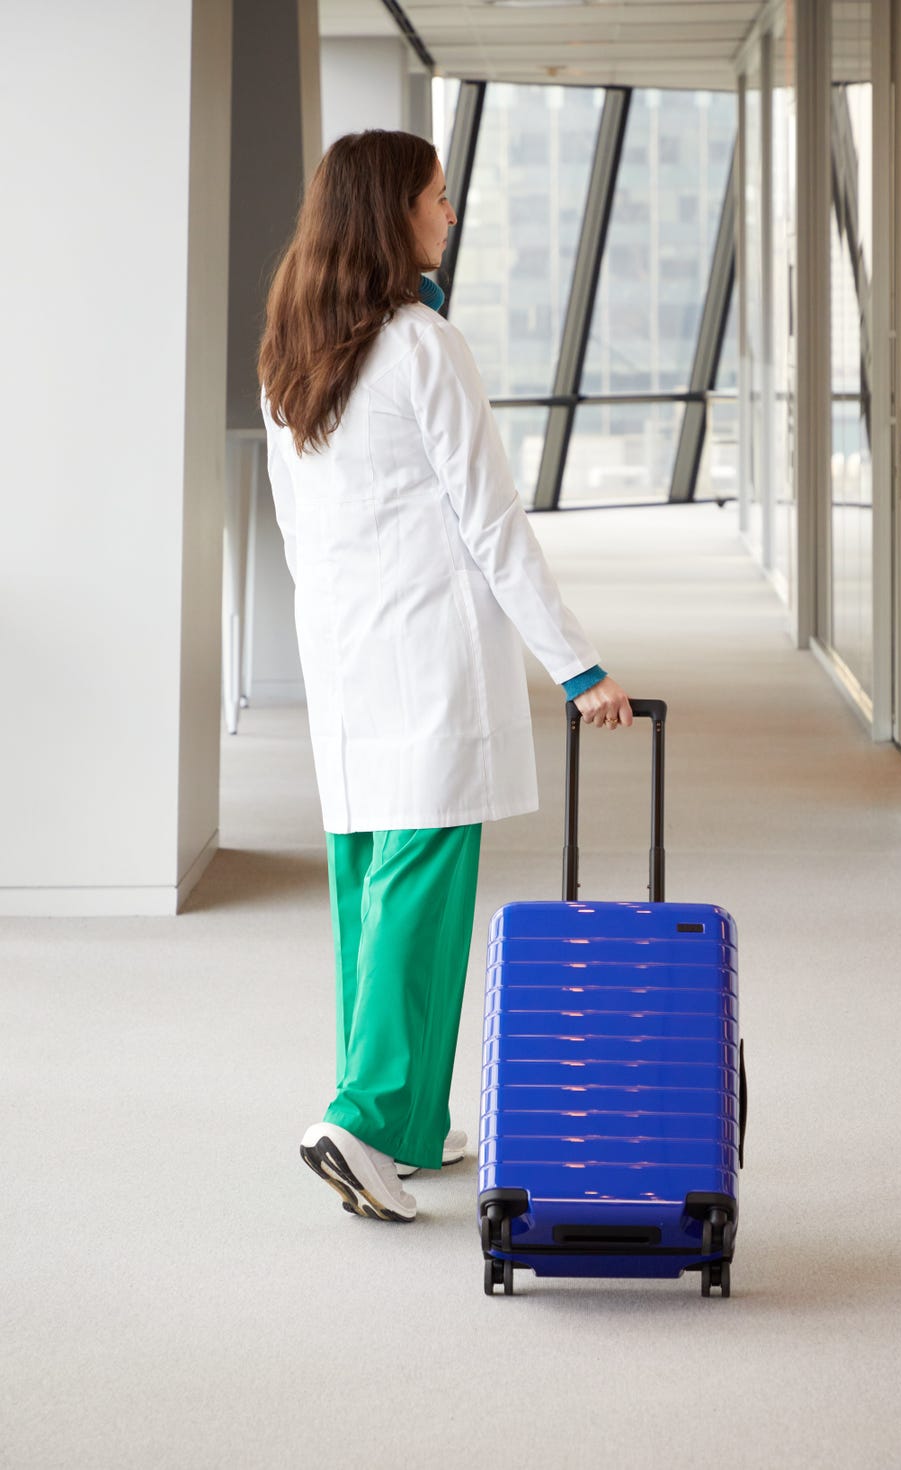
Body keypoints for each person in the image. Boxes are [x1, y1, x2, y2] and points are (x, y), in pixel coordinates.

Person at [257, 129, 633, 1225]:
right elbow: (490, 523)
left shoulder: (290, 346)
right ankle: (364, 1118)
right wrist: (578, 667)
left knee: (370, 895)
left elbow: (298, 528)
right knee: (420, 900)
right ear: (388, 214)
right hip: (422, 657)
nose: (449, 212)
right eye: (435, 195)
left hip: (347, 655)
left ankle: (404, 1125)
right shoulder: (421, 342)